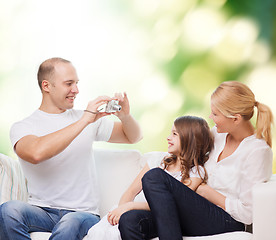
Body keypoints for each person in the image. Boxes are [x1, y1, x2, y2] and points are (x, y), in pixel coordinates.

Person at [0, 57, 143, 240]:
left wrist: (126, 116)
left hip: (83, 214)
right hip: (42, 211)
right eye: (69, 84)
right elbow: (36, 153)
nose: (76, 90)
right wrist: (84, 120)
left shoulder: (89, 120)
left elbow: (133, 137)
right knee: (8, 210)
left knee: (69, 224)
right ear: (46, 86)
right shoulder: (23, 127)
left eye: (76, 83)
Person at [119, 81, 274, 240]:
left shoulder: (257, 151)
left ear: (235, 118)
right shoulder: (217, 135)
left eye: (215, 114)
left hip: (226, 220)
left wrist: (206, 191)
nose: (210, 117)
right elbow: (188, 146)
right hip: (195, 209)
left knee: (154, 177)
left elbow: (247, 214)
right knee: (129, 221)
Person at [86, 115, 214, 240]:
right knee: (116, 225)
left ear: (189, 139)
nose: (168, 138)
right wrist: (121, 210)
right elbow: (131, 192)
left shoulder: (196, 172)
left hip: (160, 217)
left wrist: (130, 206)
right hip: (134, 212)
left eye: (175, 134)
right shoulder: (158, 161)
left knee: (131, 218)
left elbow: (170, 205)